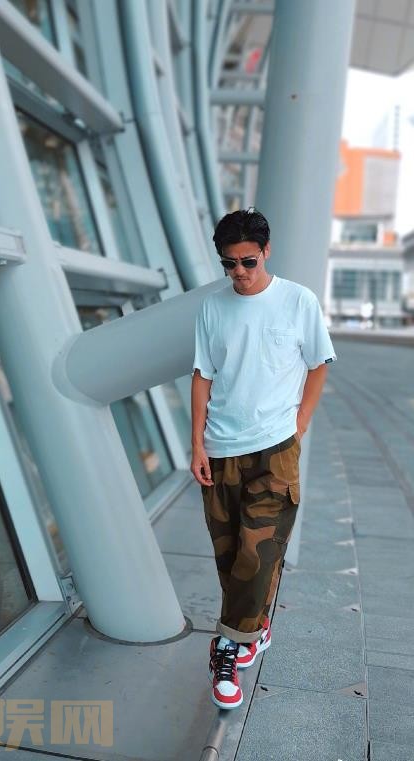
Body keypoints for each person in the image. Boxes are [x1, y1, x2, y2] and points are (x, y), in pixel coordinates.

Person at [190, 208, 337, 710]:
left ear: (266, 252)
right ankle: (256, 625)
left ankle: (226, 649)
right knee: (232, 557)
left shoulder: (298, 301)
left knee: (259, 553)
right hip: (220, 449)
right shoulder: (212, 307)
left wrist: (300, 423)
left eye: (247, 262)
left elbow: (318, 364)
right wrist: (196, 445)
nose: (239, 273)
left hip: (275, 450)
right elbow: (202, 376)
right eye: (229, 264)